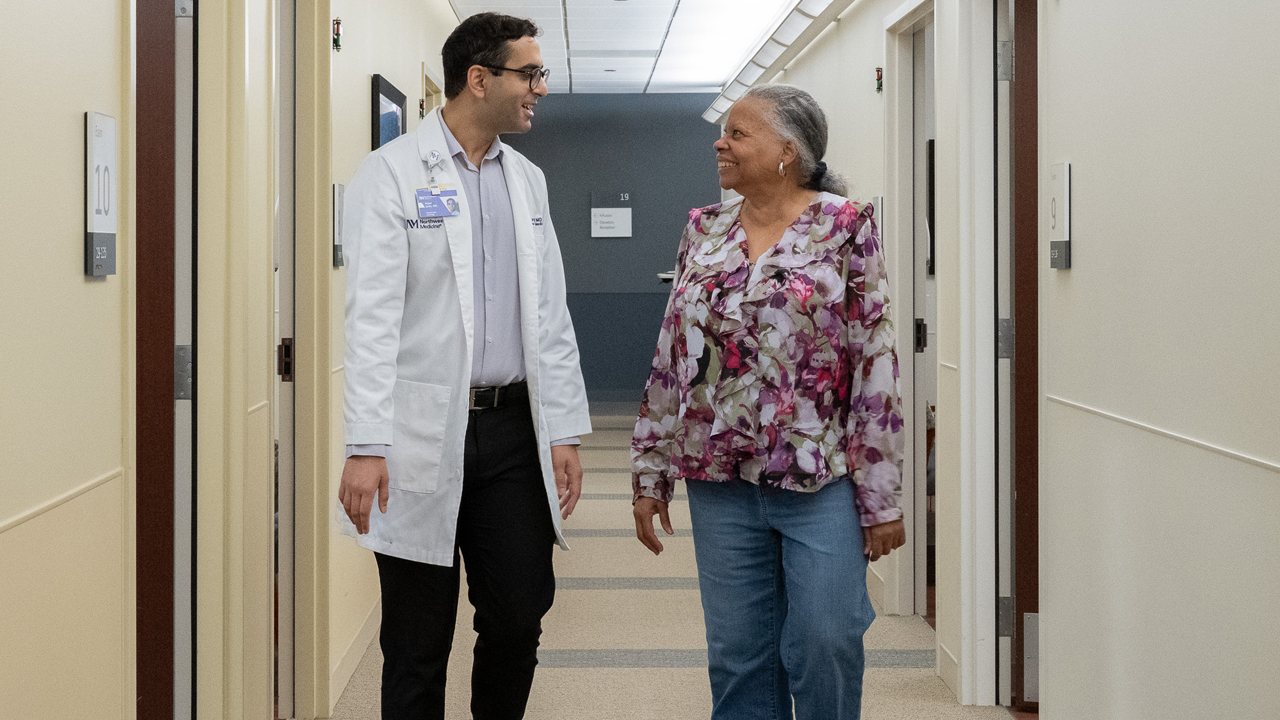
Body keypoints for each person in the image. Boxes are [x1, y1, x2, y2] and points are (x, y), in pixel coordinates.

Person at [337, 13, 590, 720]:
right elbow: (372, 321)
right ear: (478, 80)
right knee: (416, 643)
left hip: (513, 433)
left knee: (517, 616)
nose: (541, 87)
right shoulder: (390, 175)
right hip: (419, 434)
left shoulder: (528, 182)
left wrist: (565, 429)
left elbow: (550, 318)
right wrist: (365, 444)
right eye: (529, 74)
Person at [631, 84, 906, 720]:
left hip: (819, 479)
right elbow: (673, 352)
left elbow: (873, 361)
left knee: (825, 640)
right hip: (718, 476)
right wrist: (651, 472)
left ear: (789, 149)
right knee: (738, 654)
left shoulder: (846, 226)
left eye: (737, 132)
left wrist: (882, 496)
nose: (720, 143)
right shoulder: (704, 228)